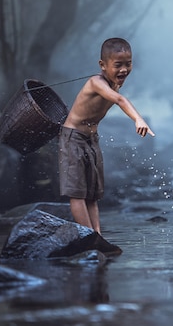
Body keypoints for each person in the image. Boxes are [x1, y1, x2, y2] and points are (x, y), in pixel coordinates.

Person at [59, 37, 154, 234]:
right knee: (77, 194)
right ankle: (87, 235)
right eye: (118, 65)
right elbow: (119, 100)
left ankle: (97, 235)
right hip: (73, 138)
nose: (124, 70)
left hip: (91, 139)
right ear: (102, 65)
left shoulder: (114, 84)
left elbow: (118, 96)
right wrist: (138, 119)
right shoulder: (96, 82)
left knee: (93, 194)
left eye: (128, 64)